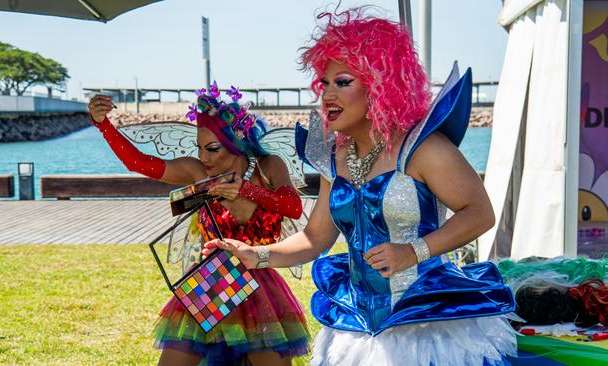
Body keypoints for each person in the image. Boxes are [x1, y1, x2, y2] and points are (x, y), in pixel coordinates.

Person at [203, 8, 517, 366]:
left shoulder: (424, 149)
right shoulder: (334, 158)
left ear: (381, 86)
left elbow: (480, 213)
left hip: (427, 324)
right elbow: (314, 239)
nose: (327, 95)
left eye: (343, 82)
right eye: (324, 83)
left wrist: (413, 251)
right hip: (357, 330)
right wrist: (255, 255)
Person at [88, 84, 310, 366]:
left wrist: (245, 190)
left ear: (237, 144)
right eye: (200, 148)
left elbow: (293, 206)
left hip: (260, 286)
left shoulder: (269, 167)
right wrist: (102, 125)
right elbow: (139, 163)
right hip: (211, 282)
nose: (204, 157)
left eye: (212, 148)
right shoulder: (196, 172)